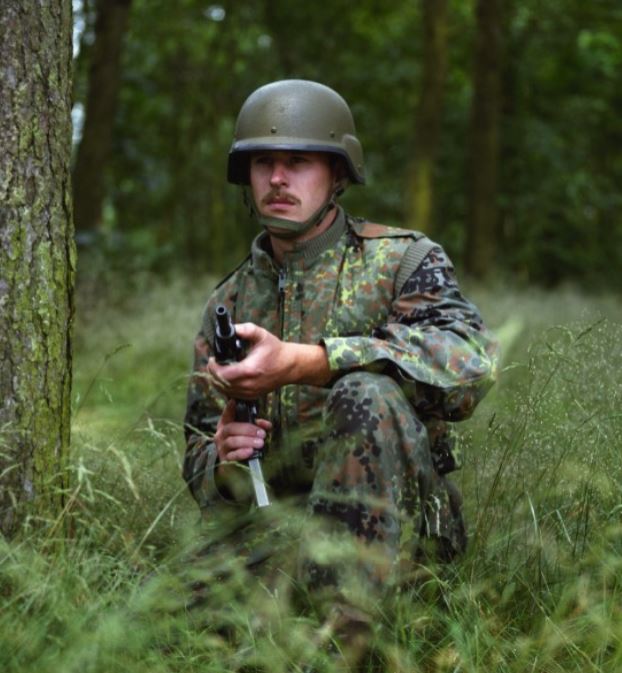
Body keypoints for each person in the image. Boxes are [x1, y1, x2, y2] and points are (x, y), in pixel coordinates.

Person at [183, 79, 498, 660]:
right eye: (263, 164)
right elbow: (196, 445)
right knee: (180, 631)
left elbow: (469, 368)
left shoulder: (402, 261)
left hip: (399, 523)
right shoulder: (229, 300)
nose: (277, 179)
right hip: (277, 524)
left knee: (364, 392)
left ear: (337, 173)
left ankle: (354, 641)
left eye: (297, 162)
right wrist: (221, 455)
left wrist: (314, 361)